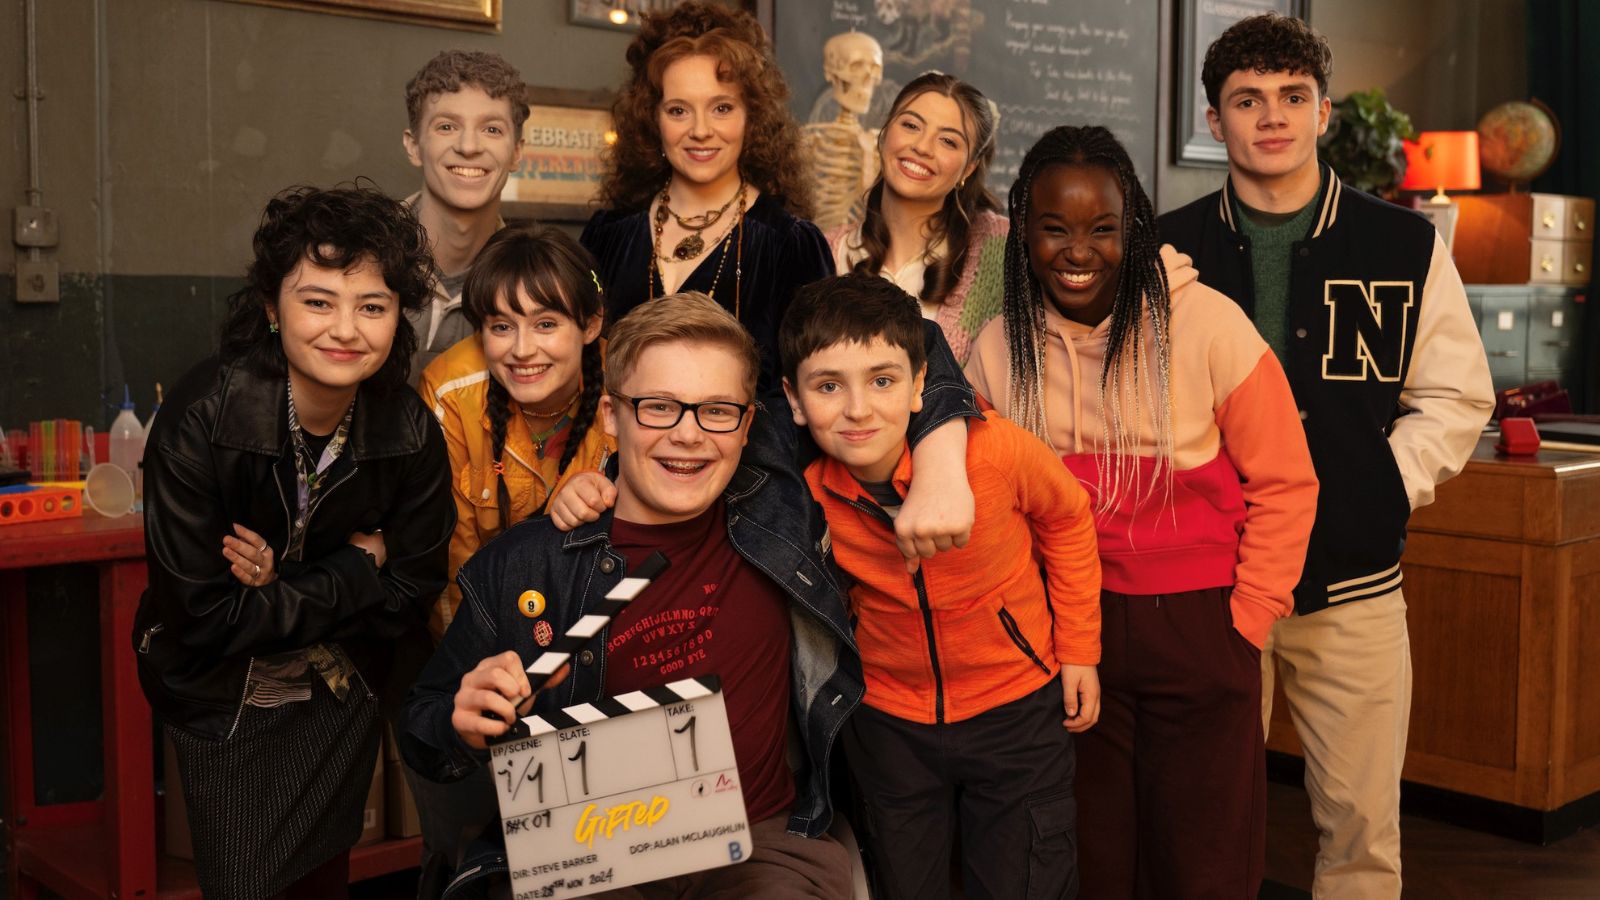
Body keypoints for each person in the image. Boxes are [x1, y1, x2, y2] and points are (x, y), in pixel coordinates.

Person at [1157, 14, 1493, 899]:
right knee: (1203, 816)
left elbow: (1455, 397)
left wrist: (1381, 484)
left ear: (1324, 112)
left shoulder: (1406, 243)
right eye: (1247, 100)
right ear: (1215, 119)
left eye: (1291, 97)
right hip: (1209, 583)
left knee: (1361, 831)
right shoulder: (1163, 248)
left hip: (1354, 587)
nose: (1271, 117)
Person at [402, 293, 865, 899]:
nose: (689, 435)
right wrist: (460, 724)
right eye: (658, 407)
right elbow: (422, 724)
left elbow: (908, 348)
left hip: (760, 844)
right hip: (588, 849)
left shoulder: (779, 513)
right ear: (611, 417)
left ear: (749, 424)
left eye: (717, 410)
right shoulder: (522, 566)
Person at [965, 125, 1320, 898]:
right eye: (1054, 229)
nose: (1077, 251)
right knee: (1094, 858)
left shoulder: (1210, 324)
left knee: (1204, 861)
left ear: (1135, 230)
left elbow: (1288, 483)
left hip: (1199, 625)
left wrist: (1247, 619)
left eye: (1102, 229)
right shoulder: (998, 345)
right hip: (1068, 630)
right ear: (1021, 232)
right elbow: (985, 498)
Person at [132, 185, 452, 899]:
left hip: (341, 688)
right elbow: (205, 617)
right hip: (224, 697)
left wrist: (284, 586)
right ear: (272, 309)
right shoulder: (203, 417)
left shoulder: (406, 428)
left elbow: (414, 589)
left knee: (322, 877)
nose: (346, 329)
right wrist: (361, 565)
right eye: (318, 301)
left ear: (398, 317)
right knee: (245, 880)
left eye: (372, 306)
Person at [780, 274, 1102, 900]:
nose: (857, 409)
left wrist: (1081, 646)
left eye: (882, 380)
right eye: (827, 387)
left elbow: (1068, 519)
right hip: (888, 721)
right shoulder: (809, 495)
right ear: (793, 400)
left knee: (1028, 879)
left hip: (1016, 706)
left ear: (922, 383)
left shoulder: (994, 453)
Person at [407, 223, 612, 884]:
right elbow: (448, 564)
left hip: (600, 663)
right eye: (500, 326)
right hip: (485, 655)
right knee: (472, 847)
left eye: (546, 323)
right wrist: (483, 679)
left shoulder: (625, 391)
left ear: (590, 324)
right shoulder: (450, 392)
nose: (522, 350)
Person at [581, 0, 832, 397]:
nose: (700, 130)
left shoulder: (792, 246)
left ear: (752, 117)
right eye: (679, 110)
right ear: (653, 119)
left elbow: (813, 394)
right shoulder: (607, 235)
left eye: (721, 108)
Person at [828, 72, 1007, 364]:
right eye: (911, 125)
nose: (922, 147)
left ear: (969, 169)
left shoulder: (999, 251)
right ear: (885, 133)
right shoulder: (824, 251)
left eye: (948, 141)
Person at [401, 49, 529, 378]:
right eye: (447, 126)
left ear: (516, 152)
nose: (469, 146)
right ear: (413, 145)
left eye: (492, 130)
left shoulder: (535, 275)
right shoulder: (357, 252)